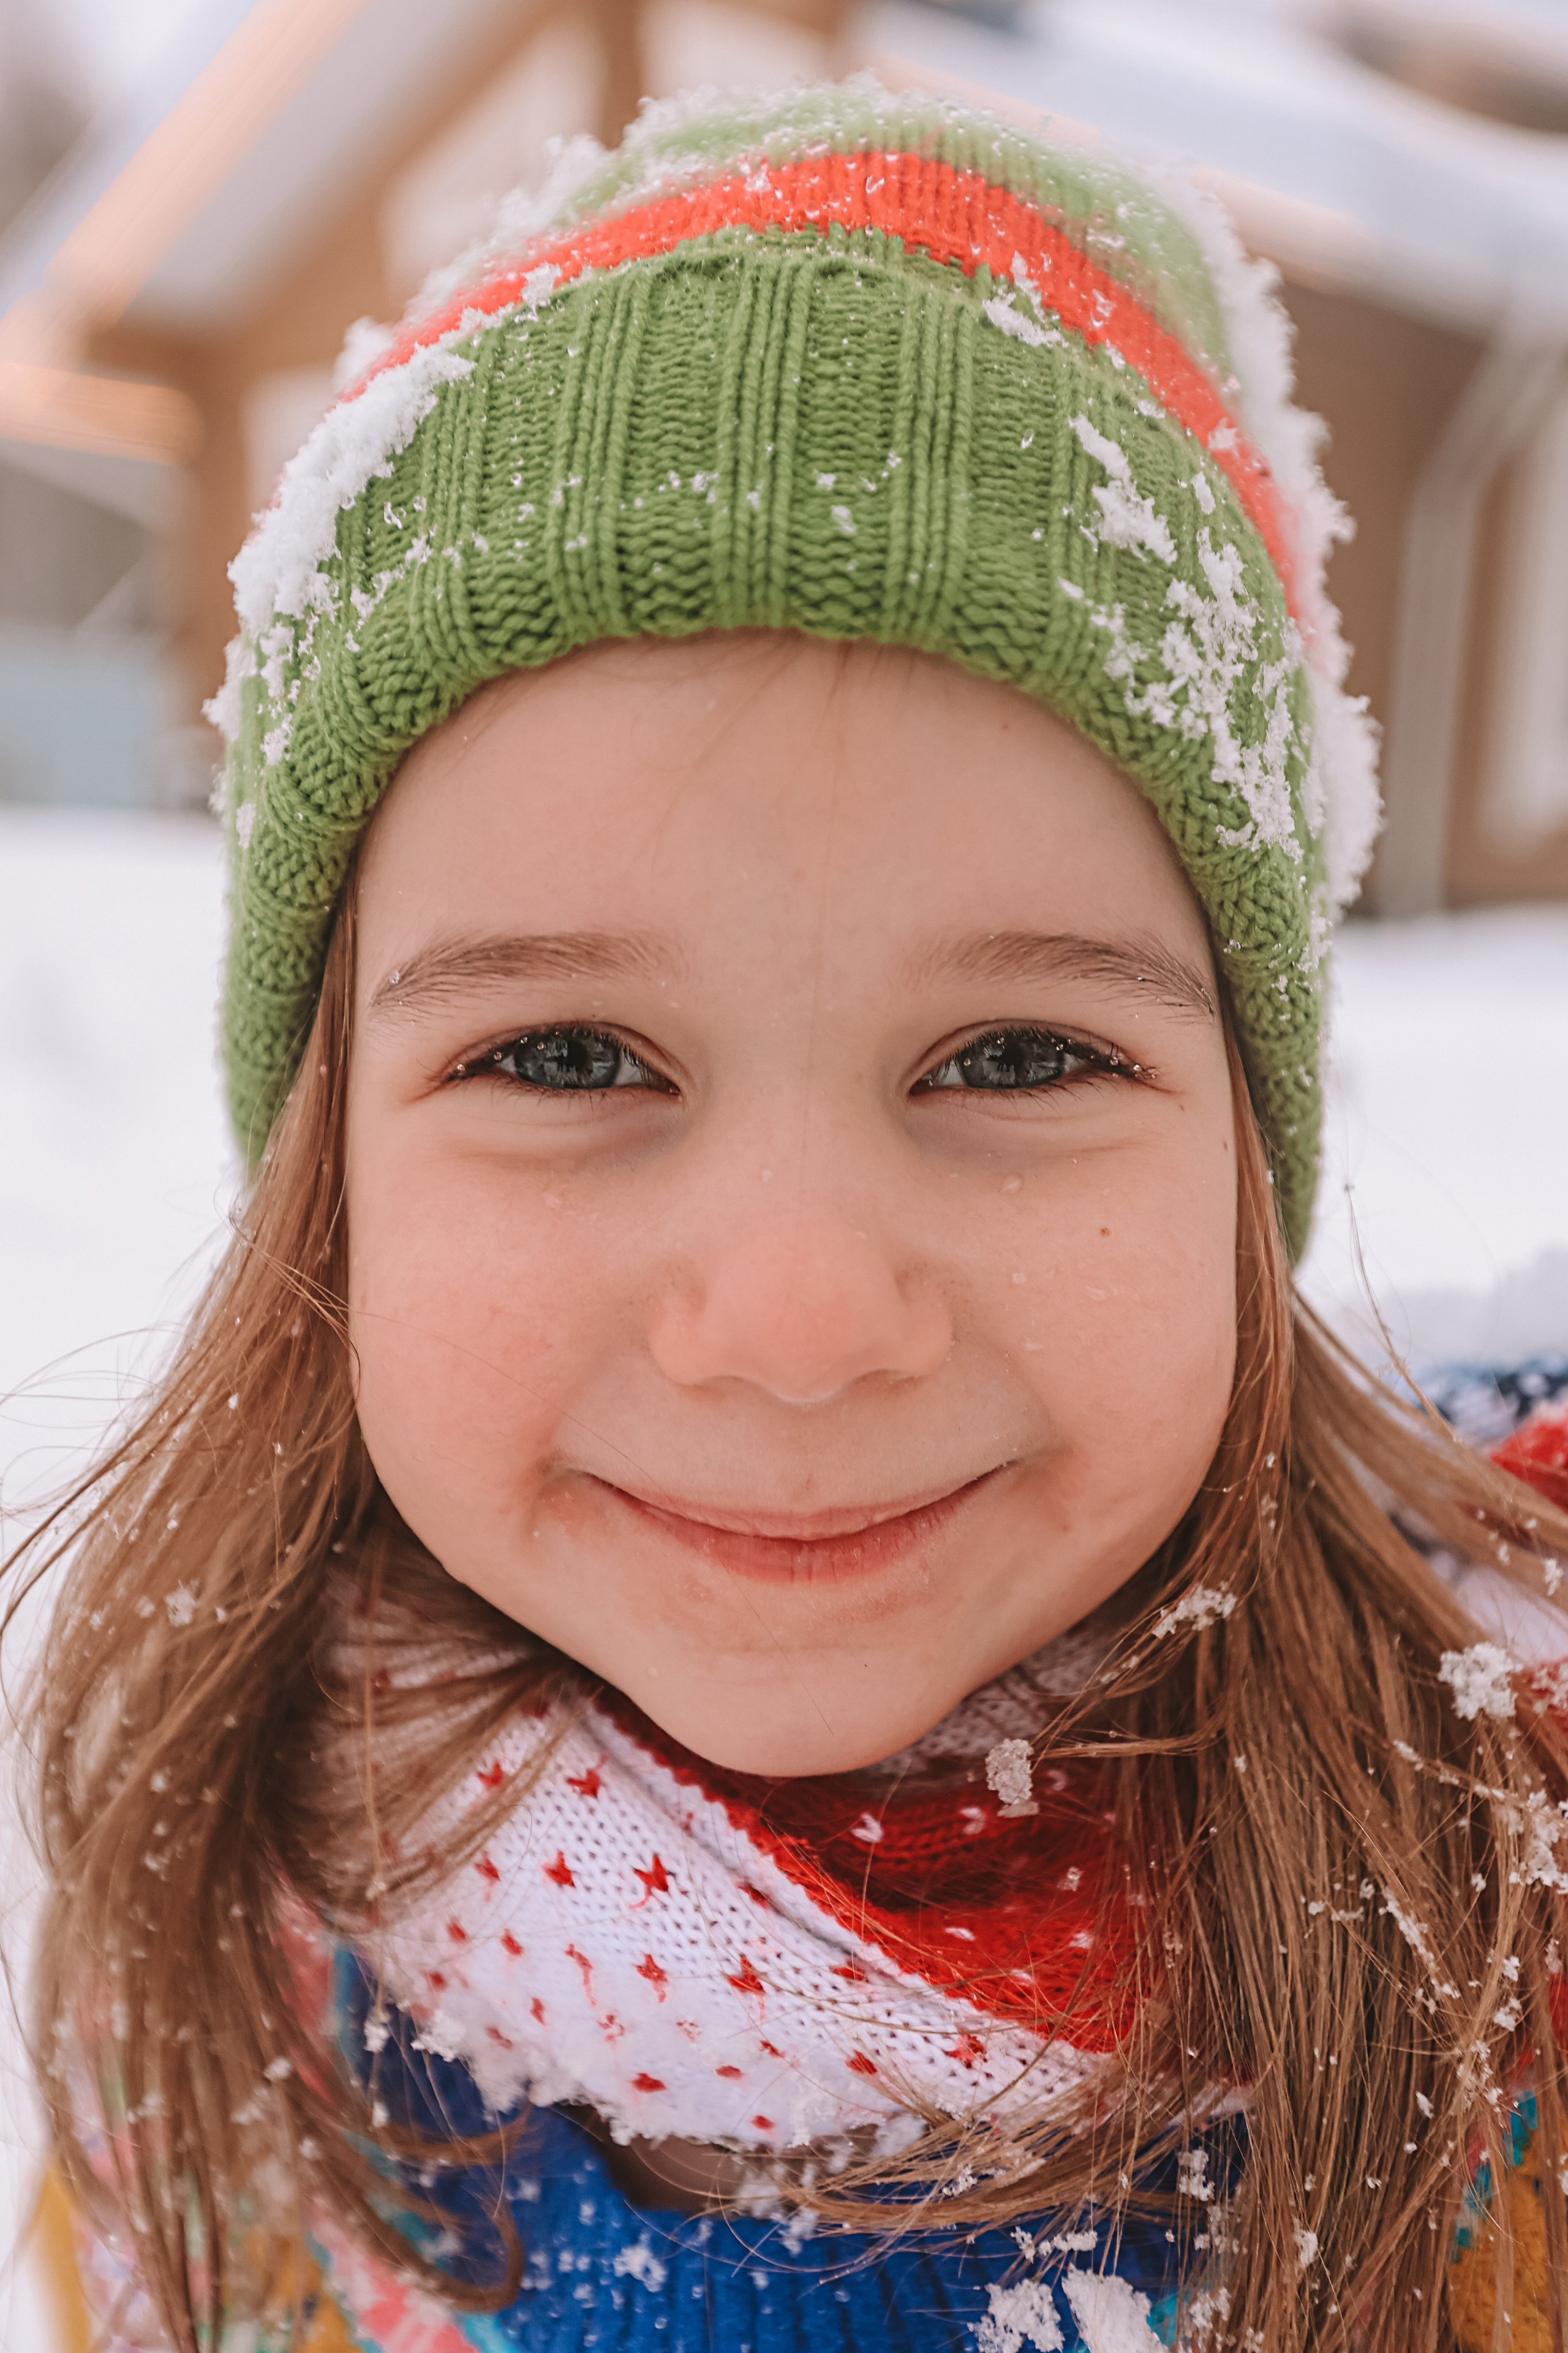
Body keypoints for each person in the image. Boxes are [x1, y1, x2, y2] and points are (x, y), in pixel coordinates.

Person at [15, 80, 1568, 2353]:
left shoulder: (1513, 1931)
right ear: (332, 1174)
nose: (802, 1317)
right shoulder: (209, 1968)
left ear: (1242, 1157)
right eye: (569, 1057)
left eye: (1017, 1056)